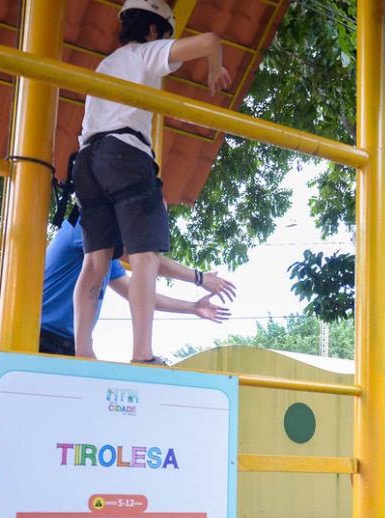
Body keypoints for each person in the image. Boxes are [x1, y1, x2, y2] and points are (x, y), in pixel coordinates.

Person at [72, 0, 231, 363]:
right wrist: (214, 68)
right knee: (146, 258)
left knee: (94, 262)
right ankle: (142, 354)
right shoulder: (146, 52)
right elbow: (210, 40)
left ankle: (83, 352)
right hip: (125, 154)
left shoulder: (105, 64)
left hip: (87, 161)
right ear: (154, 29)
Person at [41, 215, 235, 357]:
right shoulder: (86, 225)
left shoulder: (108, 257)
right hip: (41, 340)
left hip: (69, 347)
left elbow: (140, 295)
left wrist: (193, 307)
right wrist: (199, 278)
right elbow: (145, 259)